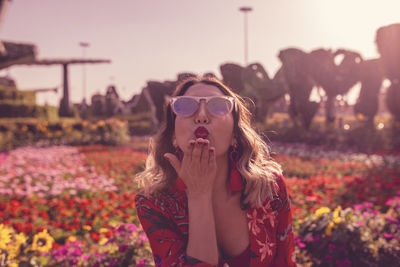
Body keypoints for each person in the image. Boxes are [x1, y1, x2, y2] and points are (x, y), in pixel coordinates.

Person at [135, 76, 296, 267]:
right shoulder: (154, 202)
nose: (202, 116)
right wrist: (198, 195)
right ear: (173, 135)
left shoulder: (270, 186)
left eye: (218, 106)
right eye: (185, 106)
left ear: (235, 134)